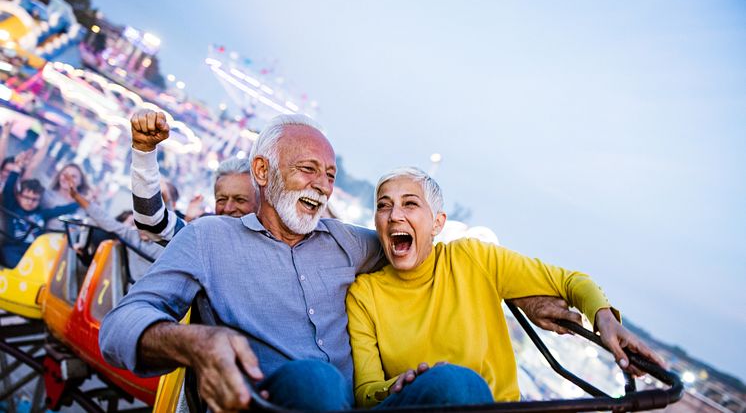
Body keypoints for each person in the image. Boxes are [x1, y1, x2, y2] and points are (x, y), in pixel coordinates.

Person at [100, 112, 583, 412]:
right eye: (308, 169)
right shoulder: (210, 239)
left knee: (457, 384)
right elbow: (121, 326)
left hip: (361, 405)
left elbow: (421, 248)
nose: (323, 186)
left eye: (329, 175)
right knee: (316, 380)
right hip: (274, 404)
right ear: (263, 171)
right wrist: (193, 341)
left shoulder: (349, 242)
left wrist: (522, 291)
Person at [346, 167, 665, 408]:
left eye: (409, 204)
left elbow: (570, 281)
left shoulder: (472, 258)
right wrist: (398, 386)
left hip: (500, 407)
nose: (394, 216)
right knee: (451, 384)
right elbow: (365, 393)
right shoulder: (364, 295)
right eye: (384, 206)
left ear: (438, 224)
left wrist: (605, 320)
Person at [128, 110, 258, 242]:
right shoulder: (204, 242)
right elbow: (151, 222)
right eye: (221, 199)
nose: (228, 208)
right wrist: (143, 150)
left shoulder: (272, 253)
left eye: (240, 200)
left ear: (259, 204)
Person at [0, 159, 78, 267]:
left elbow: (61, 210)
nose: (30, 202)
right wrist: (16, 170)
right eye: (27, 197)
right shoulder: (12, 206)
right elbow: (8, 190)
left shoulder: (41, 214)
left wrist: (80, 202)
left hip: (35, 251)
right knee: (18, 263)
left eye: (34, 199)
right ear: (19, 196)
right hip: (12, 249)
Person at [42, 163, 90, 231]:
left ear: (80, 181)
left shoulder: (86, 204)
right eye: (65, 174)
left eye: (73, 176)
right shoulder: (47, 195)